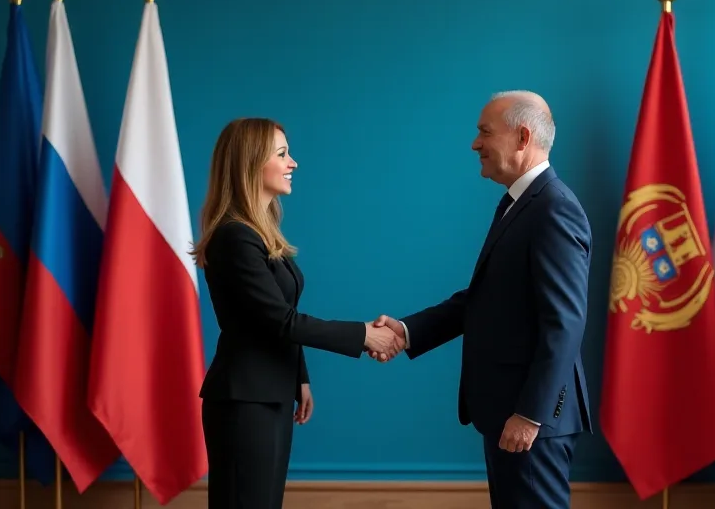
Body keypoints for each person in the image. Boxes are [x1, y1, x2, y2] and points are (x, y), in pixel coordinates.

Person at [372, 90, 593, 508]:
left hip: (530, 419)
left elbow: (565, 323)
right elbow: (486, 298)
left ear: (523, 137)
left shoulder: (553, 209)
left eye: (485, 132)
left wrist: (531, 414)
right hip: (509, 413)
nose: (475, 144)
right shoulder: (520, 204)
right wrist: (407, 330)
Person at [191, 117, 404, 509]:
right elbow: (281, 321)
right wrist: (364, 335)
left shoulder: (256, 234)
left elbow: (277, 315)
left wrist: (299, 378)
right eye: (283, 154)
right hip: (245, 401)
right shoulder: (235, 237)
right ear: (251, 162)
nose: (294, 163)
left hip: (269, 393)